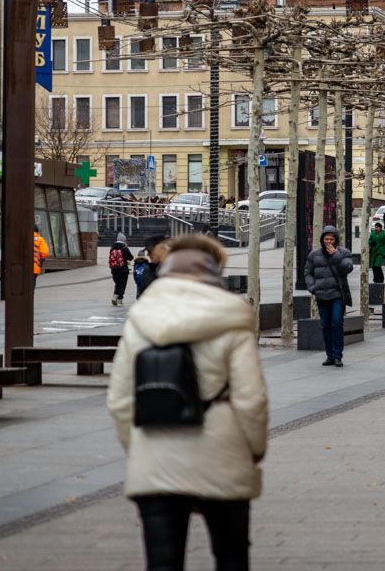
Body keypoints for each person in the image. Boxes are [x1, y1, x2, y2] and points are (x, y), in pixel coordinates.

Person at [107, 233, 268, 571]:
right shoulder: (231, 319)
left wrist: (138, 450)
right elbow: (251, 400)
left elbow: (120, 402)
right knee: (232, 557)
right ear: (214, 270)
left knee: (162, 563)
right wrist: (253, 451)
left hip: (155, 457)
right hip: (222, 454)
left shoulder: (140, 320)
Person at [303, 225, 354, 368]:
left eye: (332, 239)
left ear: (336, 240)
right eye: (326, 239)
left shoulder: (344, 252)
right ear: (322, 240)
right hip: (321, 295)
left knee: (337, 323)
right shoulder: (314, 255)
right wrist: (312, 288)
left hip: (337, 294)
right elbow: (307, 273)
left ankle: (338, 356)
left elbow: (348, 268)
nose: (329, 242)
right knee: (325, 325)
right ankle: (329, 355)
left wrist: (335, 255)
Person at [133, 234, 169, 300]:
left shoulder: (176, 269)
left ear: (161, 249)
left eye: (150, 251)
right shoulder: (149, 270)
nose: (148, 254)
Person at [109, 232, 135, 307]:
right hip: (123, 269)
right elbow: (130, 257)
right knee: (122, 284)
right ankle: (119, 300)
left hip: (114, 269)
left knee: (117, 283)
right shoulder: (124, 248)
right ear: (124, 240)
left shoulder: (112, 248)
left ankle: (115, 297)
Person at [33, 225, 49, 289]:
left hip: (22, 266)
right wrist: (42, 259)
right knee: (32, 281)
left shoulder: (24, 238)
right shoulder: (40, 239)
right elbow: (45, 252)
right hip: (35, 265)